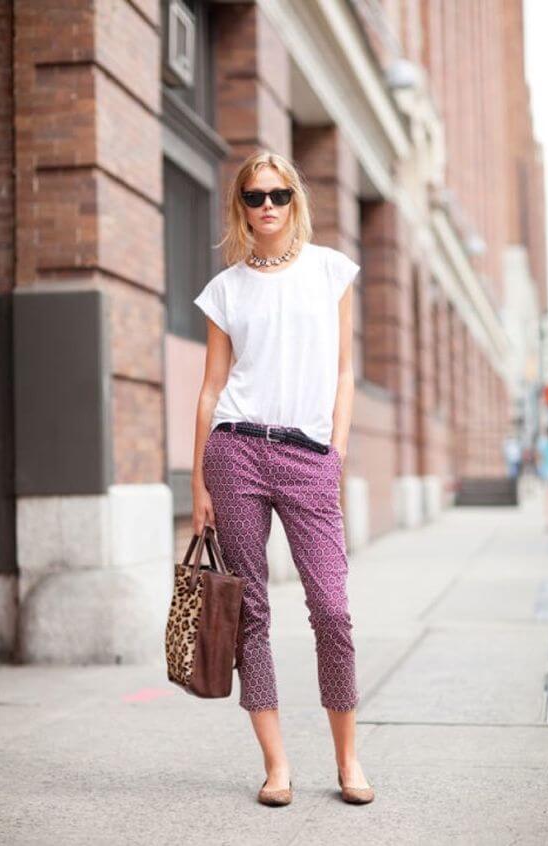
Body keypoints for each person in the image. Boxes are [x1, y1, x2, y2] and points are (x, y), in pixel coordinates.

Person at [190, 150, 374, 807]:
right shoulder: (226, 288)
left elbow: (346, 370)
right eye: (254, 196)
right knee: (251, 613)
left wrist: (338, 450)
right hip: (235, 451)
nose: (267, 206)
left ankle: (348, 760)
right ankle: (277, 766)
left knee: (332, 610)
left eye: (278, 195)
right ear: (240, 205)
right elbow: (212, 389)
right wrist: (197, 487)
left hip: (309, 455)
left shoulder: (330, 272)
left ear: (296, 200)